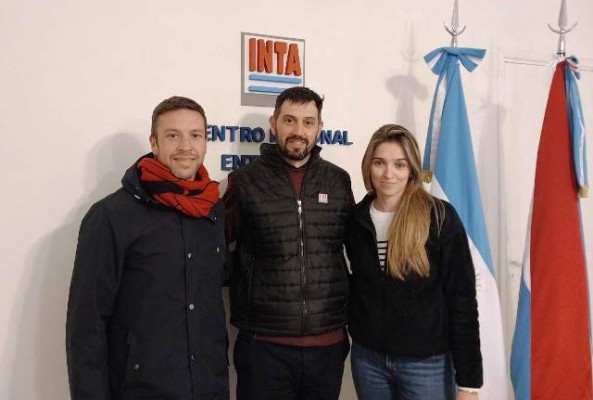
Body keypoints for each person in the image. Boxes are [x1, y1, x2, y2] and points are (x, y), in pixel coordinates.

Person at [66, 96, 229, 400]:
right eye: (173, 135)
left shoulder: (212, 210)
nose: (185, 146)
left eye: (195, 135)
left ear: (206, 143)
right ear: (154, 143)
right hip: (141, 389)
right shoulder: (112, 216)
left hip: (208, 386)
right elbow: (87, 323)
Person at [223, 86, 353, 400]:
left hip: (327, 346)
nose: (298, 131)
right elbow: (212, 247)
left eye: (308, 122)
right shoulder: (244, 181)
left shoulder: (339, 181)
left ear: (319, 128)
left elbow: (357, 250)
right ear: (274, 123)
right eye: (289, 120)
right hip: (263, 348)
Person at [345, 124, 482, 400]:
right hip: (368, 361)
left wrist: (468, 384)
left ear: (411, 170)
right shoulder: (355, 220)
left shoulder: (439, 217)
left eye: (399, 164)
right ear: (368, 166)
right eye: (379, 163)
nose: (388, 173)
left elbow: (462, 300)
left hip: (426, 364)